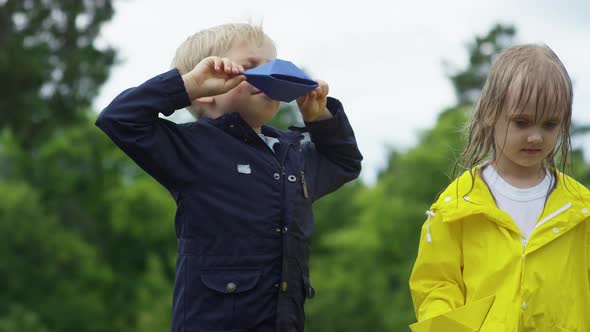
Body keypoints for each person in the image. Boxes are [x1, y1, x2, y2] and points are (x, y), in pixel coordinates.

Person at [95, 23, 362, 332]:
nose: (269, 75)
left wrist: (321, 119)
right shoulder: (193, 148)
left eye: (272, 65)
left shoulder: (292, 155)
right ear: (208, 92)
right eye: (249, 67)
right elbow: (118, 119)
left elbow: (344, 161)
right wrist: (188, 86)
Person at [409, 44, 590, 331]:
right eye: (521, 122)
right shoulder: (456, 204)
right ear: (491, 113)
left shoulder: (582, 209)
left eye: (549, 124)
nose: (535, 136)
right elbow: (436, 287)